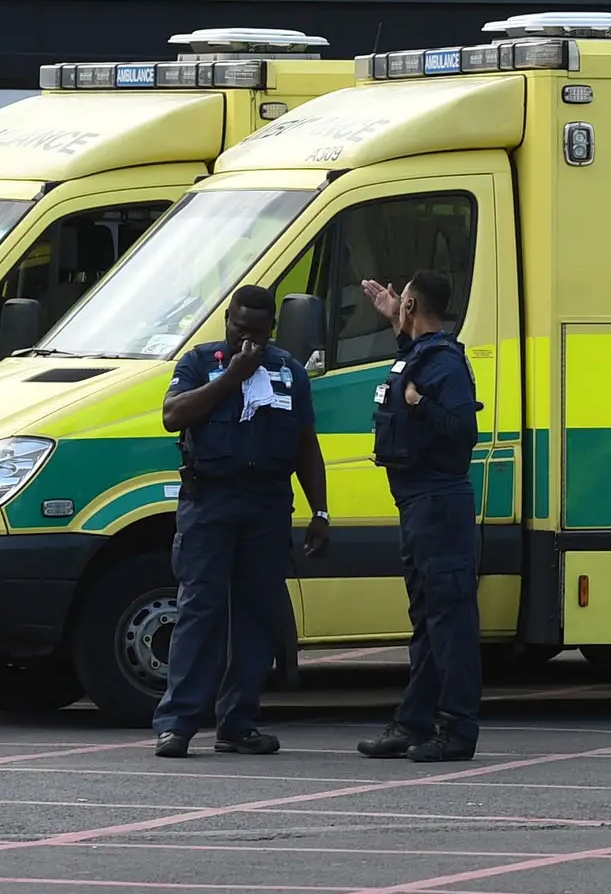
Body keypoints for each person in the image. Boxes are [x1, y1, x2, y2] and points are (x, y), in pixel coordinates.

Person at [153, 283, 329, 756]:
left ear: (271, 329)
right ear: (226, 320)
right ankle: (178, 724)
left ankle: (238, 723)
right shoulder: (198, 363)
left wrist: (320, 510)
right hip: (210, 503)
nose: (245, 340)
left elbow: (305, 445)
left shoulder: (290, 372)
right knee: (199, 613)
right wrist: (231, 377)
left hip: (267, 506)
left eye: (256, 331)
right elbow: (173, 415)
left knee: (255, 617)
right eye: (238, 328)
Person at [355, 270, 483, 764]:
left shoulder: (445, 364)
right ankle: (413, 723)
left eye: (401, 300)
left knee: (450, 621)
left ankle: (457, 730)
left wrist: (420, 403)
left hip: (438, 502)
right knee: (428, 621)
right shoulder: (417, 352)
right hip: (417, 505)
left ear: (413, 305)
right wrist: (395, 321)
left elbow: (462, 430)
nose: (396, 305)